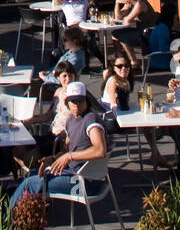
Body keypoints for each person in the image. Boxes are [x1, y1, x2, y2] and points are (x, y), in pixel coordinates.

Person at [10, 81, 107, 209]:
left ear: (86, 101)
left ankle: (7, 222)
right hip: (72, 173)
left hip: (86, 181)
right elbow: (66, 151)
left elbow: (100, 150)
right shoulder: (71, 121)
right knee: (32, 174)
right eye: (73, 101)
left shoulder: (91, 119)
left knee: (30, 184)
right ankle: (21, 218)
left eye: (80, 101)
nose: (76, 105)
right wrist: (52, 159)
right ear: (67, 103)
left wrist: (69, 157)